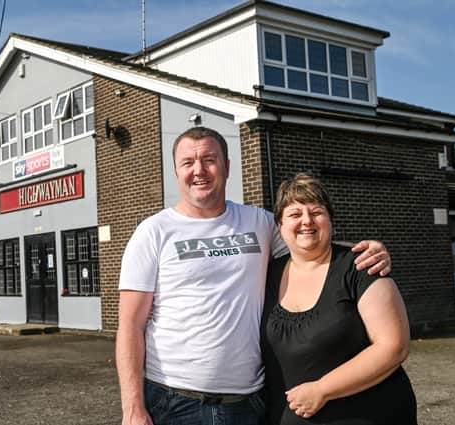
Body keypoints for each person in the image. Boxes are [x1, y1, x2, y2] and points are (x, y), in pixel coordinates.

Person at [116, 127, 391, 425]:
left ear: (227, 166)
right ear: (176, 171)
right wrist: (132, 408)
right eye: (188, 162)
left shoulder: (257, 222)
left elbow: (309, 241)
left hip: (249, 402)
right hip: (176, 401)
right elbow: (131, 324)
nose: (199, 170)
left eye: (209, 159)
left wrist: (364, 250)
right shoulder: (153, 232)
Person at [261, 173, 416, 425]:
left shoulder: (361, 266)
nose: (306, 221)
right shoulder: (266, 275)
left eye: (316, 212)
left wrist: (322, 389)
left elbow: (393, 347)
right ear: (279, 226)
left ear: (330, 219)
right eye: (294, 214)